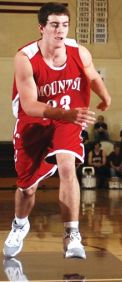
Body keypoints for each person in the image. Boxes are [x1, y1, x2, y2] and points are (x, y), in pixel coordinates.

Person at [3, 2, 111, 259]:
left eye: (64, 25)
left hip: (67, 122)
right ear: (42, 28)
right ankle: (20, 224)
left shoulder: (79, 52)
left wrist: (105, 96)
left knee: (66, 165)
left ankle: (72, 234)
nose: (60, 30)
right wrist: (66, 113)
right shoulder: (25, 58)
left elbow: (93, 76)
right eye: (54, 25)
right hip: (34, 125)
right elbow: (29, 105)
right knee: (27, 188)